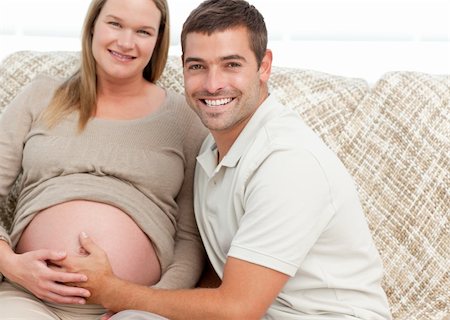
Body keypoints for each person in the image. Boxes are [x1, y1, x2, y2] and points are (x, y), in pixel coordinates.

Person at [56, 0, 393, 319]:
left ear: (264, 66)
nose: (213, 84)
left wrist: (114, 290)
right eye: (198, 67)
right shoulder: (211, 151)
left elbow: (236, 309)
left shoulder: (288, 163)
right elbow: (219, 278)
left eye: (231, 65)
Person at [0, 0, 207, 318]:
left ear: (157, 40)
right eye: (115, 24)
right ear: (93, 25)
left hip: (132, 307)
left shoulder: (185, 119)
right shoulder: (40, 96)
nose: (126, 42)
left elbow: (190, 237)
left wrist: (148, 301)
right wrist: (11, 265)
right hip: (28, 298)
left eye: (143, 31)